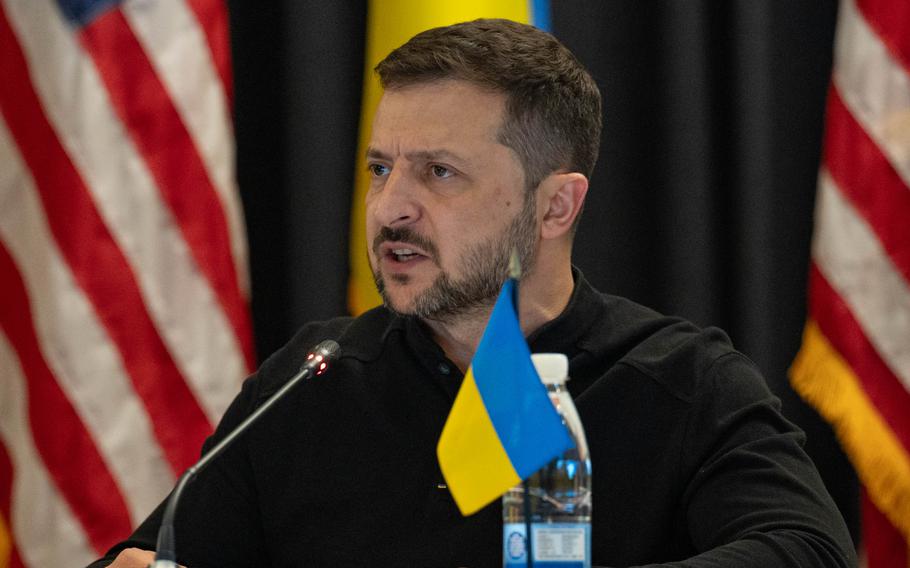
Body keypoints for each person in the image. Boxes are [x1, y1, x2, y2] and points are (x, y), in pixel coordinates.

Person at [91, 19, 855, 568]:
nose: (391, 207)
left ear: (556, 205)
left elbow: (811, 549)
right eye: (381, 168)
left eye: (439, 173)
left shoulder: (678, 381)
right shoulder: (314, 378)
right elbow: (158, 551)